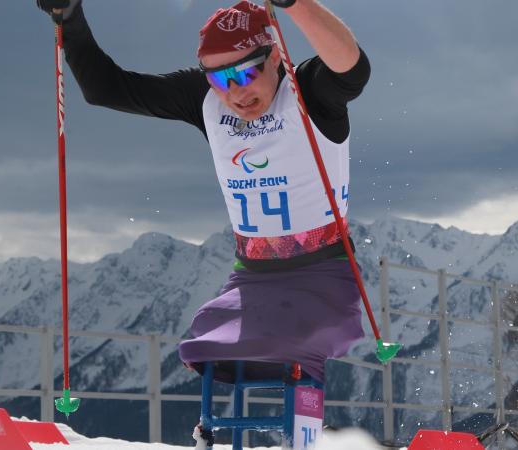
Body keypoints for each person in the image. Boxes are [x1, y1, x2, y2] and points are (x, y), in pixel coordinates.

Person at [35, 0, 368, 387]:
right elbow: (105, 89)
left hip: (321, 278)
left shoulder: (309, 91)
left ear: (275, 56)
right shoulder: (204, 99)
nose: (235, 92)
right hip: (251, 281)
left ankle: (307, 432)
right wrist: (71, 18)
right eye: (219, 79)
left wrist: (295, 5)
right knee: (205, 348)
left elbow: (352, 68)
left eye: (245, 73)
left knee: (281, 347)